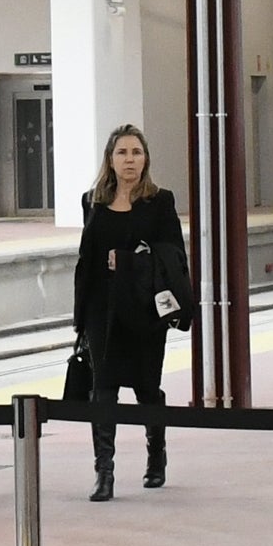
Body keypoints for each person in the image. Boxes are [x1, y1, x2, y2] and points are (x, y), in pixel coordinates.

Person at [70, 123, 188, 498]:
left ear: (146, 159)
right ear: (110, 159)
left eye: (136, 152)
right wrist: (80, 318)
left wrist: (127, 261)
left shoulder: (160, 201)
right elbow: (85, 259)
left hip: (143, 308)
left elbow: (173, 257)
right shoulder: (93, 201)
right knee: (102, 388)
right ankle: (104, 473)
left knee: (146, 387)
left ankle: (157, 456)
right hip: (102, 310)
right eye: (122, 152)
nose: (130, 160)